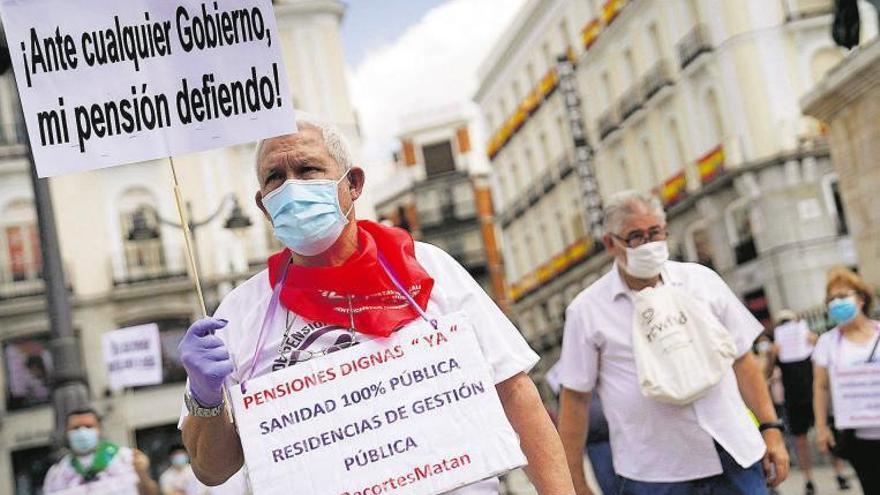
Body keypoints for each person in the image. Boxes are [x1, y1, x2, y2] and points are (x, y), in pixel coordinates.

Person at [177, 116, 573, 494]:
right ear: (263, 205)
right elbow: (212, 470)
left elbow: (516, 397)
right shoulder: (241, 311)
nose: (291, 188)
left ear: (353, 184)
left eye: (308, 169)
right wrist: (206, 397)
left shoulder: (428, 268)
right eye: (275, 177)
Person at [556, 190, 789, 495]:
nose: (649, 244)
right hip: (656, 473)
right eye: (636, 237)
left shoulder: (701, 281)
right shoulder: (587, 311)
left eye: (655, 233)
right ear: (611, 244)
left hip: (734, 453)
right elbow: (574, 399)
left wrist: (771, 430)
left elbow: (742, 360)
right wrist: (574, 482)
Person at [812, 266, 880, 493]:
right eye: (831, 299)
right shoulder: (827, 343)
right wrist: (822, 427)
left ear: (861, 299)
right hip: (860, 439)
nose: (835, 302)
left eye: (842, 296)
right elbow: (821, 387)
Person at [771, 310, 850, 494]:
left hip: (815, 396)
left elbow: (831, 363)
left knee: (828, 435)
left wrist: (816, 344)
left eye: (789, 322)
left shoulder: (812, 342)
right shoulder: (778, 349)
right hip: (794, 400)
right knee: (801, 442)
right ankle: (809, 480)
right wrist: (772, 355)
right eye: (783, 323)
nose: (787, 327)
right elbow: (765, 374)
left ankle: (839, 474)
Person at [43, 408, 159, 495]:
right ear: (67, 432)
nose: (82, 432)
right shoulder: (57, 474)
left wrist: (142, 475)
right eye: (76, 428)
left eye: (88, 426)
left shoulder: (126, 458)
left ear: (98, 428)